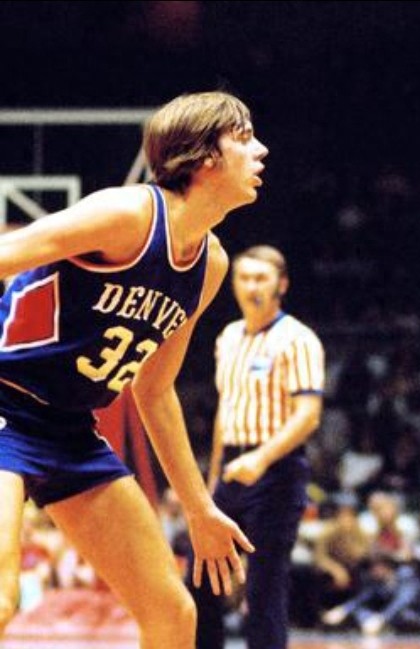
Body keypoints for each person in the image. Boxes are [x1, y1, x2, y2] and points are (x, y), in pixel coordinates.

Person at [0, 90, 262, 648]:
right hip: (5, 403)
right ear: (205, 156)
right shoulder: (127, 214)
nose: (260, 151)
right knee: (1, 598)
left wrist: (199, 508)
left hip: (71, 430)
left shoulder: (210, 265)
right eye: (245, 138)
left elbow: (156, 389)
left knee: (173, 614)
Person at [191, 245, 325, 649]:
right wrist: (211, 483)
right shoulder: (228, 337)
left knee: (264, 586)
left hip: (277, 470)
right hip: (231, 467)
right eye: (245, 278)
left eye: (261, 278)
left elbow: (308, 415)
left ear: (281, 285)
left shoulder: (297, 339)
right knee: (203, 577)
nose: (252, 287)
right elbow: (225, 411)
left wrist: (261, 458)